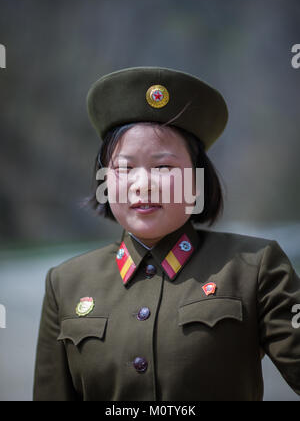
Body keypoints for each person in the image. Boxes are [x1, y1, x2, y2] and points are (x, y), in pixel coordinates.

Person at [33, 67, 300, 401]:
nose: (142, 184)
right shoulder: (65, 283)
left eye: (163, 167)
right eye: (125, 168)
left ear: (198, 180)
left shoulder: (254, 268)